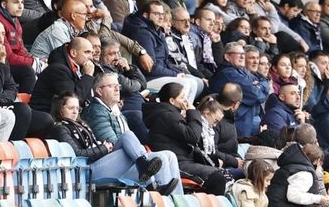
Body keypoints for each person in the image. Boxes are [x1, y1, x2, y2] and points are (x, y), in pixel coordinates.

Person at [50, 90, 180, 194]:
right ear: (60, 109)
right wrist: (104, 148)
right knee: (152, 155)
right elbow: (77, 154)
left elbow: (92, 144)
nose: (75, 112)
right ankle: (152, 184)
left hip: (101, 163)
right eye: (71, 108)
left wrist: (104, 146)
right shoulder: (60, 128)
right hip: (87, 171)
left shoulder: (80, 124)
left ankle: (177, 199)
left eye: (77, 108)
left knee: (168, 155)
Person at [143, 82, 229, 195]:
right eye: (182, 97)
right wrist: (192, 112)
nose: (185, 100)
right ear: (172, 101)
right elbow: (192, 136)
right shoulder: (167, 116)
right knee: (217, 178)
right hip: (176, 163)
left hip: (184, 159)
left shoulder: (171, 114)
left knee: (220, 175)